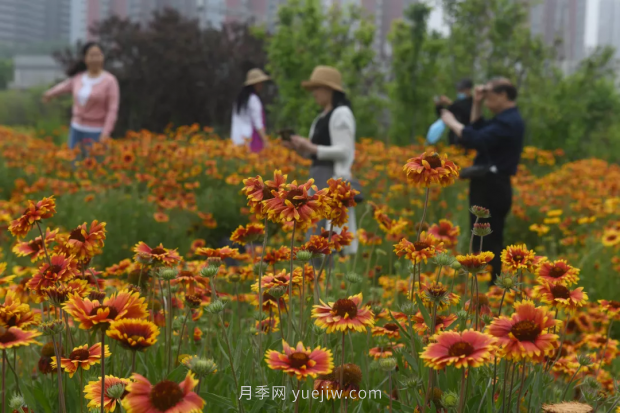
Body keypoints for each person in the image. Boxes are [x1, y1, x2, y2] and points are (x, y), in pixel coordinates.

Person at [441, 77, 524, 281]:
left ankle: (493, 286)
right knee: (481, 239)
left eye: (488, 95)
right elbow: (477, 127)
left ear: (503, 95)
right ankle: (483, 284)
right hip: (488, 183)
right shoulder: (503, 119)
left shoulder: (509, 122)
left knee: (489, 241)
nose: (486, 100)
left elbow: (475, 139)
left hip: (493, 186)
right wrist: (476, 103)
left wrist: (451, 122)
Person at [285, 65, 358, 255]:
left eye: (317, 88)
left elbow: (344, 151)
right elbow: (315, 153)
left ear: (329, 89)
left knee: (331, 234)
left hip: (332, 179)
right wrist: (299, 148)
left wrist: (310, 147)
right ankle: (319, 276)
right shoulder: (320, 118)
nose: (314, 93)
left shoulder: (341, 114)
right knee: (317, 232)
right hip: (317, 177)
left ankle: (331, 276)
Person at [42, 42, 120, 157]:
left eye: (98, 55)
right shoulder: (79, 78)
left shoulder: (110, 81)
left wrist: (106, 133)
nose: (95, 59)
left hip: (96, 132)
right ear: (85, 59)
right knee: (74, 165)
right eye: (92, 55)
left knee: (94, 169)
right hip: (76, 129)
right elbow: (64, 86)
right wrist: (49, 94)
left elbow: (112, 110)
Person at [231, 68, 270, 152]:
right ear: (255, 84)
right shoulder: (254, 99)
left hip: (237, 139)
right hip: (250, 139)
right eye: (260, 82)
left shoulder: (240, 100)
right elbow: (258, 124)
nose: (262, 85)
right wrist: (265, 141)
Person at [434, 78, 474, 145]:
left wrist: (450, 103)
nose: (459, 92)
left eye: (461, 90)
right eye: (459, 90)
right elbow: (445, 115)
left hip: (467, 139)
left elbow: (466, 113)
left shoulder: (473, 103)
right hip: (454, 139)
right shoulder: (457, 102)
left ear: (468, 89)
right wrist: (439, 106)